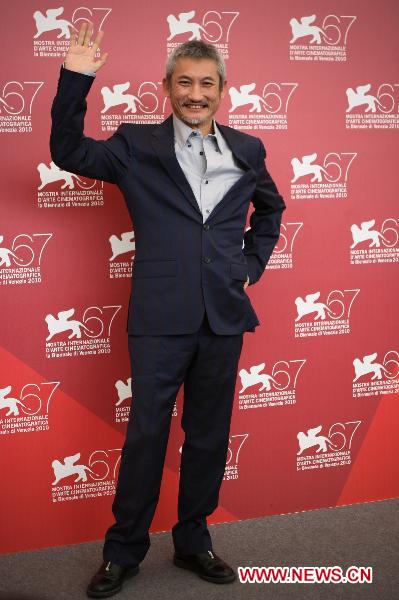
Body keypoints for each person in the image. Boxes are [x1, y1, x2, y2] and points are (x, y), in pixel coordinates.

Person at [50, 21, 286, 598]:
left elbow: (271, 210)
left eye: (207, 83)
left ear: (222, 89)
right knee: (147, 436)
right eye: (185, 83)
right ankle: (123, 551)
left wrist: (249, 266)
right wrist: (76, 78)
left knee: (208, 436)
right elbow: (68, 150)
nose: (196, 93)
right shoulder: (136, 145)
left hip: (224, 317)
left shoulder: (248, 149)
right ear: (168, 87)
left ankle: (193, 540)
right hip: (159, 319)